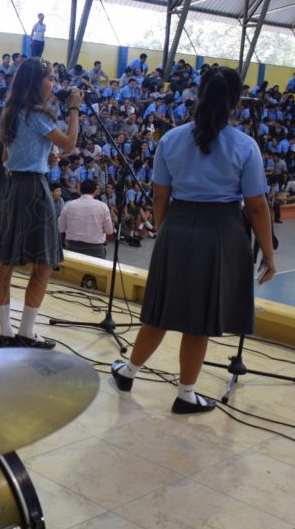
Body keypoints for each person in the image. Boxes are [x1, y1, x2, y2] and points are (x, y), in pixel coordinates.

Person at [110, 66, 275, 414]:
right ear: (236, 102)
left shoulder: (171, 138)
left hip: (177, 225)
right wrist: (269, 255)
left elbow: (159, 196)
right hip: (221, 232)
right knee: (198, 318)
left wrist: (166, 231)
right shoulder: (245, 146)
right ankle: (186, 394)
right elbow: (257, 207)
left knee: (160, 311)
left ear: (198, 95)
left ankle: (128, 372)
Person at [0, 58, 82, 349]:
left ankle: (6, 332)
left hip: (12, 187)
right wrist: (74, 108)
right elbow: (69, 143)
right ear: (36, 82)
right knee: (43, 264)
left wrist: (44, 157)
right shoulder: (38, 114)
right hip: (34, 191)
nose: (54, 83)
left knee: (6, 263)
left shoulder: (10, 112)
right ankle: (26, 331)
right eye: (50, 78)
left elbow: (5, 159)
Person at [58, 179, 114, 259]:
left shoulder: (68, 205)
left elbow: (60, 228)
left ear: (80, 190)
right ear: (95, 191)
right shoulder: (103, 206)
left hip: (72, 248)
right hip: (96, 250)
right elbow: (109, 231)